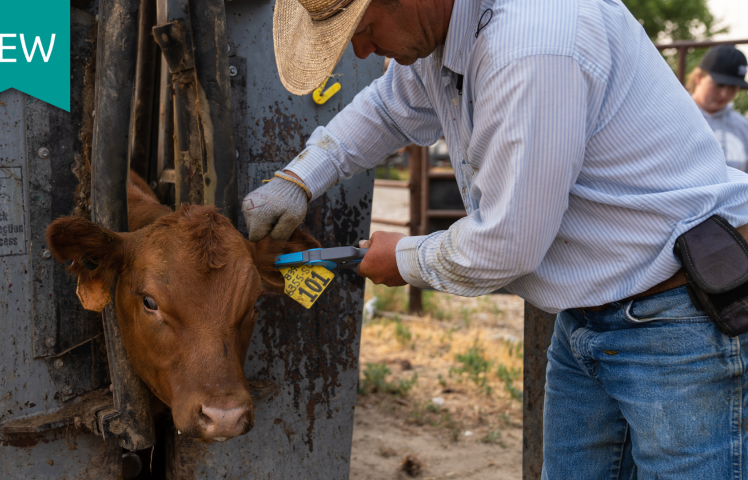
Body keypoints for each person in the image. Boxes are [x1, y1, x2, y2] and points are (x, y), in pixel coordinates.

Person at [242, 0, 748, 477]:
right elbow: (388, 107)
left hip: (679, 320)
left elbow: (508, 244)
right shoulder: (444, 35)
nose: (360, 50)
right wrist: (300, 178)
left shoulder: (530, 46)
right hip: (593, 313)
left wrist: (406, 259)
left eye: (365, 28)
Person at [686, 45, 748, 172]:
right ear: (699, 78)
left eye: (733, 87)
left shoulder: (743, 127)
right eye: (719, 84)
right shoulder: (672, 116)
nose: (725, 94)